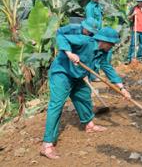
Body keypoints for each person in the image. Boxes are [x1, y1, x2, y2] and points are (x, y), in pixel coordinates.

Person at [40, 27, 131, 159]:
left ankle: (89, 124)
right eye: (111, 44)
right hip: (62, 73)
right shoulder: (85, 41)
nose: (112, 46)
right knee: (57, 105)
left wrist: (122, 88)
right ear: (103, 41)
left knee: (84, 98)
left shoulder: (103, 52)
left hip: (79, 75)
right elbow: (61, 37)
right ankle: (47, 144)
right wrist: (69, 53)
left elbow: (107, 67)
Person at [125, 0, 142, 64]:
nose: (140, 3)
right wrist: (133, 14)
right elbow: (128, 18)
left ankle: (139, 58)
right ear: (137, 2)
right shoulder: (134, 8)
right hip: (136, 29)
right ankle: (129, 58)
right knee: (133, 44)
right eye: (139, 2)